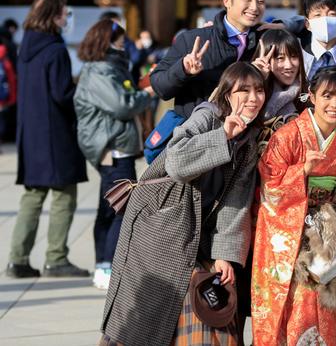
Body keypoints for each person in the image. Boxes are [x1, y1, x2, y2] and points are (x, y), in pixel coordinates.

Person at [100, 62, 267, 346]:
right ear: (227, 94)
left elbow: (235, 201)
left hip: (197, 227)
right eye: (244, 91)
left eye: (260, 90)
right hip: (161, 220)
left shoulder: (249, 140)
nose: (253, 98)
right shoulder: (206, 116)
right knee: (149, 313)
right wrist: (222, 135)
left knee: (208, 307)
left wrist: (224, 254)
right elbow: (176, 161)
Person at [251, 67, 336, 345]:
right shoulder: (287, 136)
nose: (335, 104)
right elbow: (269, 186)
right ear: (312, 97)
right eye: (327, 96)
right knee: (296, 303)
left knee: (331, 300)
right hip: (288, 233)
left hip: (329, 231)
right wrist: (301, 171)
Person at [7, 0, 89, 278]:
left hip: (30, 132)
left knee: (32, 195)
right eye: (64, 14)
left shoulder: (25, 47)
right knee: (64, 195)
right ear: (53, 16)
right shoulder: (55, 50)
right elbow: (62, 94)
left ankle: (17, 258)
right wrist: (82, 91)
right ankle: (56, 257)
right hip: (56, 134)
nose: (66, 19)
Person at [73, 19, 155, 289]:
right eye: (119, 37)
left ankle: (103, 267)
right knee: (122, 208)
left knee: (109, 207)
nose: (124, 41)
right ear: (107, 40)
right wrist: (148, 94)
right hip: (113, 148)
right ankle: (108, 267)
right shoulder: (101, 71)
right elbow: (122, 105)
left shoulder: (108, 68)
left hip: (115, 147)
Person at [150, 0, 269, 118]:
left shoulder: (265, 43)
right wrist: (183, 69)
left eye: (261, 1)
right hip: (197, 135)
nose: (254, 7)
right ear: (227, 1)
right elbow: (160, 87)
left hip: (246, 136)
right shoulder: (193, 40)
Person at [252, 28, 309, 150]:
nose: (288, 65)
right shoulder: (250, 91)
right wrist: (254, 79)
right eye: (280, 58)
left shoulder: (308, 94)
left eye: (294, 57)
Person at [299, 0, 336, 82]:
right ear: (307, 24)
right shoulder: (297, 52)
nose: (325, 20)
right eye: (318, 15)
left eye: (332, 14)